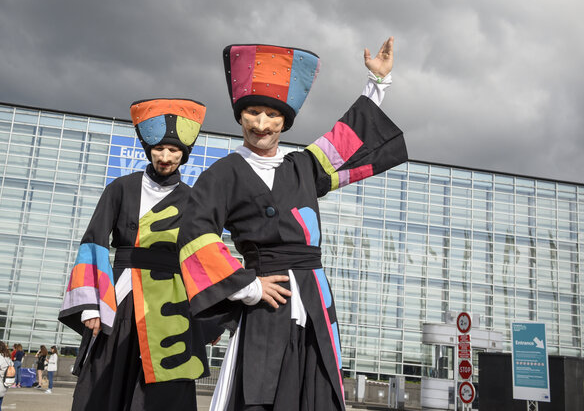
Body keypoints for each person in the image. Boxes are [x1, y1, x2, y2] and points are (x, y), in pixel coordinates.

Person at [178, 39, 408, 410]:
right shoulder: (221, 174)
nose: (262, 124)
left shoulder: (302, 165)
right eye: (252, 113)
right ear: (240, 117)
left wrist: (376, 83)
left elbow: (347, 138)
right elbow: (194, 237)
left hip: (315, 295)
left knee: (316, 394)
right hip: (264, 301)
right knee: (259, 394)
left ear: (285, 122)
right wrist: (247, 286)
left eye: (272, 116)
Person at [58, 98, 223, 410]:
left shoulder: (193, 200)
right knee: (105, 376)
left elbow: (203, 257)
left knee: (165, 389)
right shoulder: (120, 188)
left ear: (184, 154)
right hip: (120, 296)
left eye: (173, 150)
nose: (165, 156)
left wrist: (210, 317)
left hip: (171, 305)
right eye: (159, 149)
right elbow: (94, 242)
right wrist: (91, 306)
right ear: (148, 150)